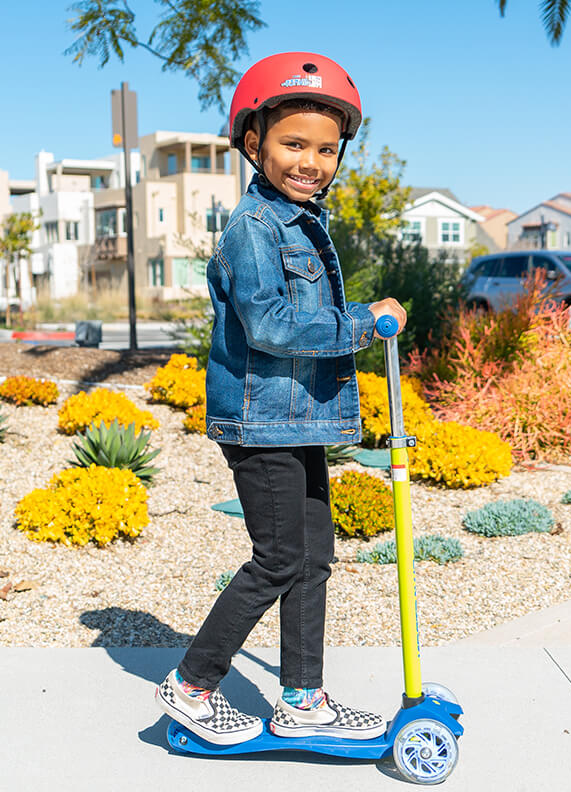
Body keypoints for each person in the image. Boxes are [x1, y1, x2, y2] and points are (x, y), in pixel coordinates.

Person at [155, 51, 407, 745]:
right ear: (252, 143)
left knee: (314, 556)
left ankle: (301, 695)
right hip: (261, 422)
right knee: (277, 558)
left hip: (297, 419)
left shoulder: (303, 221)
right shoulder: (254, 229)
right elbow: (268, 326)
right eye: (294, 144)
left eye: (327, 149)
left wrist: (360, 315)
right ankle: (191, 682)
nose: (312, 162)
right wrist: (362, 320)